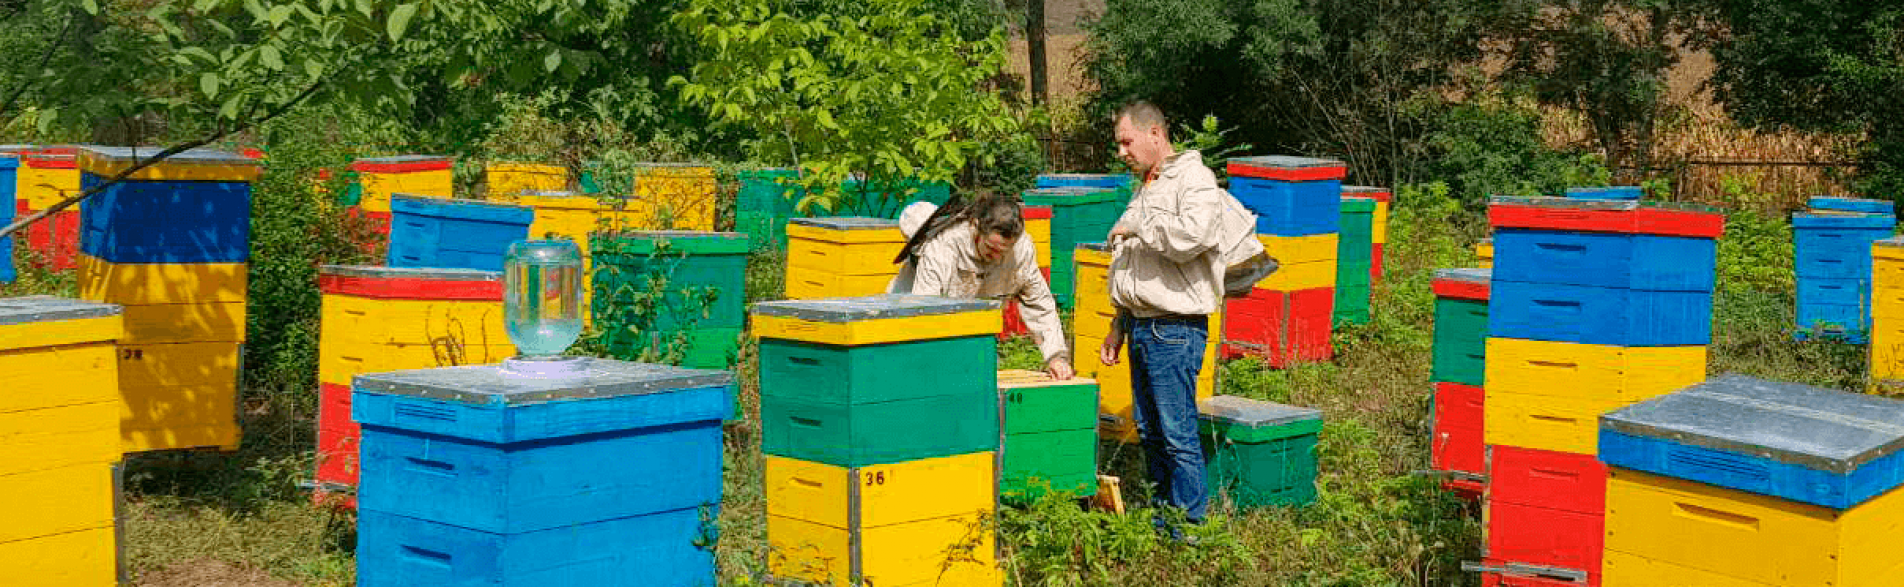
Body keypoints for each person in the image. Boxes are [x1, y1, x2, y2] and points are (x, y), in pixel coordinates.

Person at [1098, 101, 1265, 538]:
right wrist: (1118, 323)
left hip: (1173, 329)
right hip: (1141, 325)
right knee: (1150, 431)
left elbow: (1194, 236)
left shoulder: (1194, 179)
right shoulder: (1148, 185)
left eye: (1127, 142)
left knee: (1176, 433)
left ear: (1155, 133)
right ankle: (1162, 520)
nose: (1121, 152)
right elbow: (1133, 265)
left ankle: (1189, 528)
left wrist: (1138, 227)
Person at [889, 193, 1075, 380]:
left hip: (973, 334)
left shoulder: (1021, 250)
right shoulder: (943, 247)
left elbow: (1039, 303)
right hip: (914, 327)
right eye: (991, 249)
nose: (997, 258)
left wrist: (1055, 356)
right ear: (975, 227)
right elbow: (925, 313)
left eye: (1004, 251)